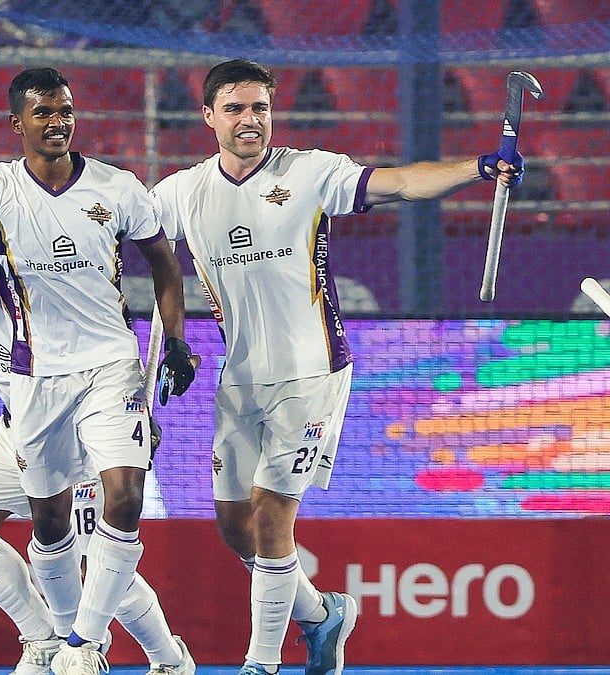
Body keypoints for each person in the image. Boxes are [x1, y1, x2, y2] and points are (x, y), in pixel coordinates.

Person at [149, 58, 526, 675]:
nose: (251, 120)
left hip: (313, 372)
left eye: (261, 108)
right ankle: (323, 615)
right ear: (208, 116)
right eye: (237, 109)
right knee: (234, 527)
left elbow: (402, 183)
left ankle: (261, 663)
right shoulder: (180, 192)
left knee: (273, 515)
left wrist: (478, 168)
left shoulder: (310, 172)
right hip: (239, 377)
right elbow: (120, 233)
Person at [0, 67, 197, 675]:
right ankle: (55, 638)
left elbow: (165, 267)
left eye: (64, 111)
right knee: (40, 530)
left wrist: (173, 340)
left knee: (123, 502)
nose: (57, 122)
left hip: (110, 369)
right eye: (43, 113)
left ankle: (87, 646)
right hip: (38, 389)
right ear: (17, 124)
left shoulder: (118, 188)